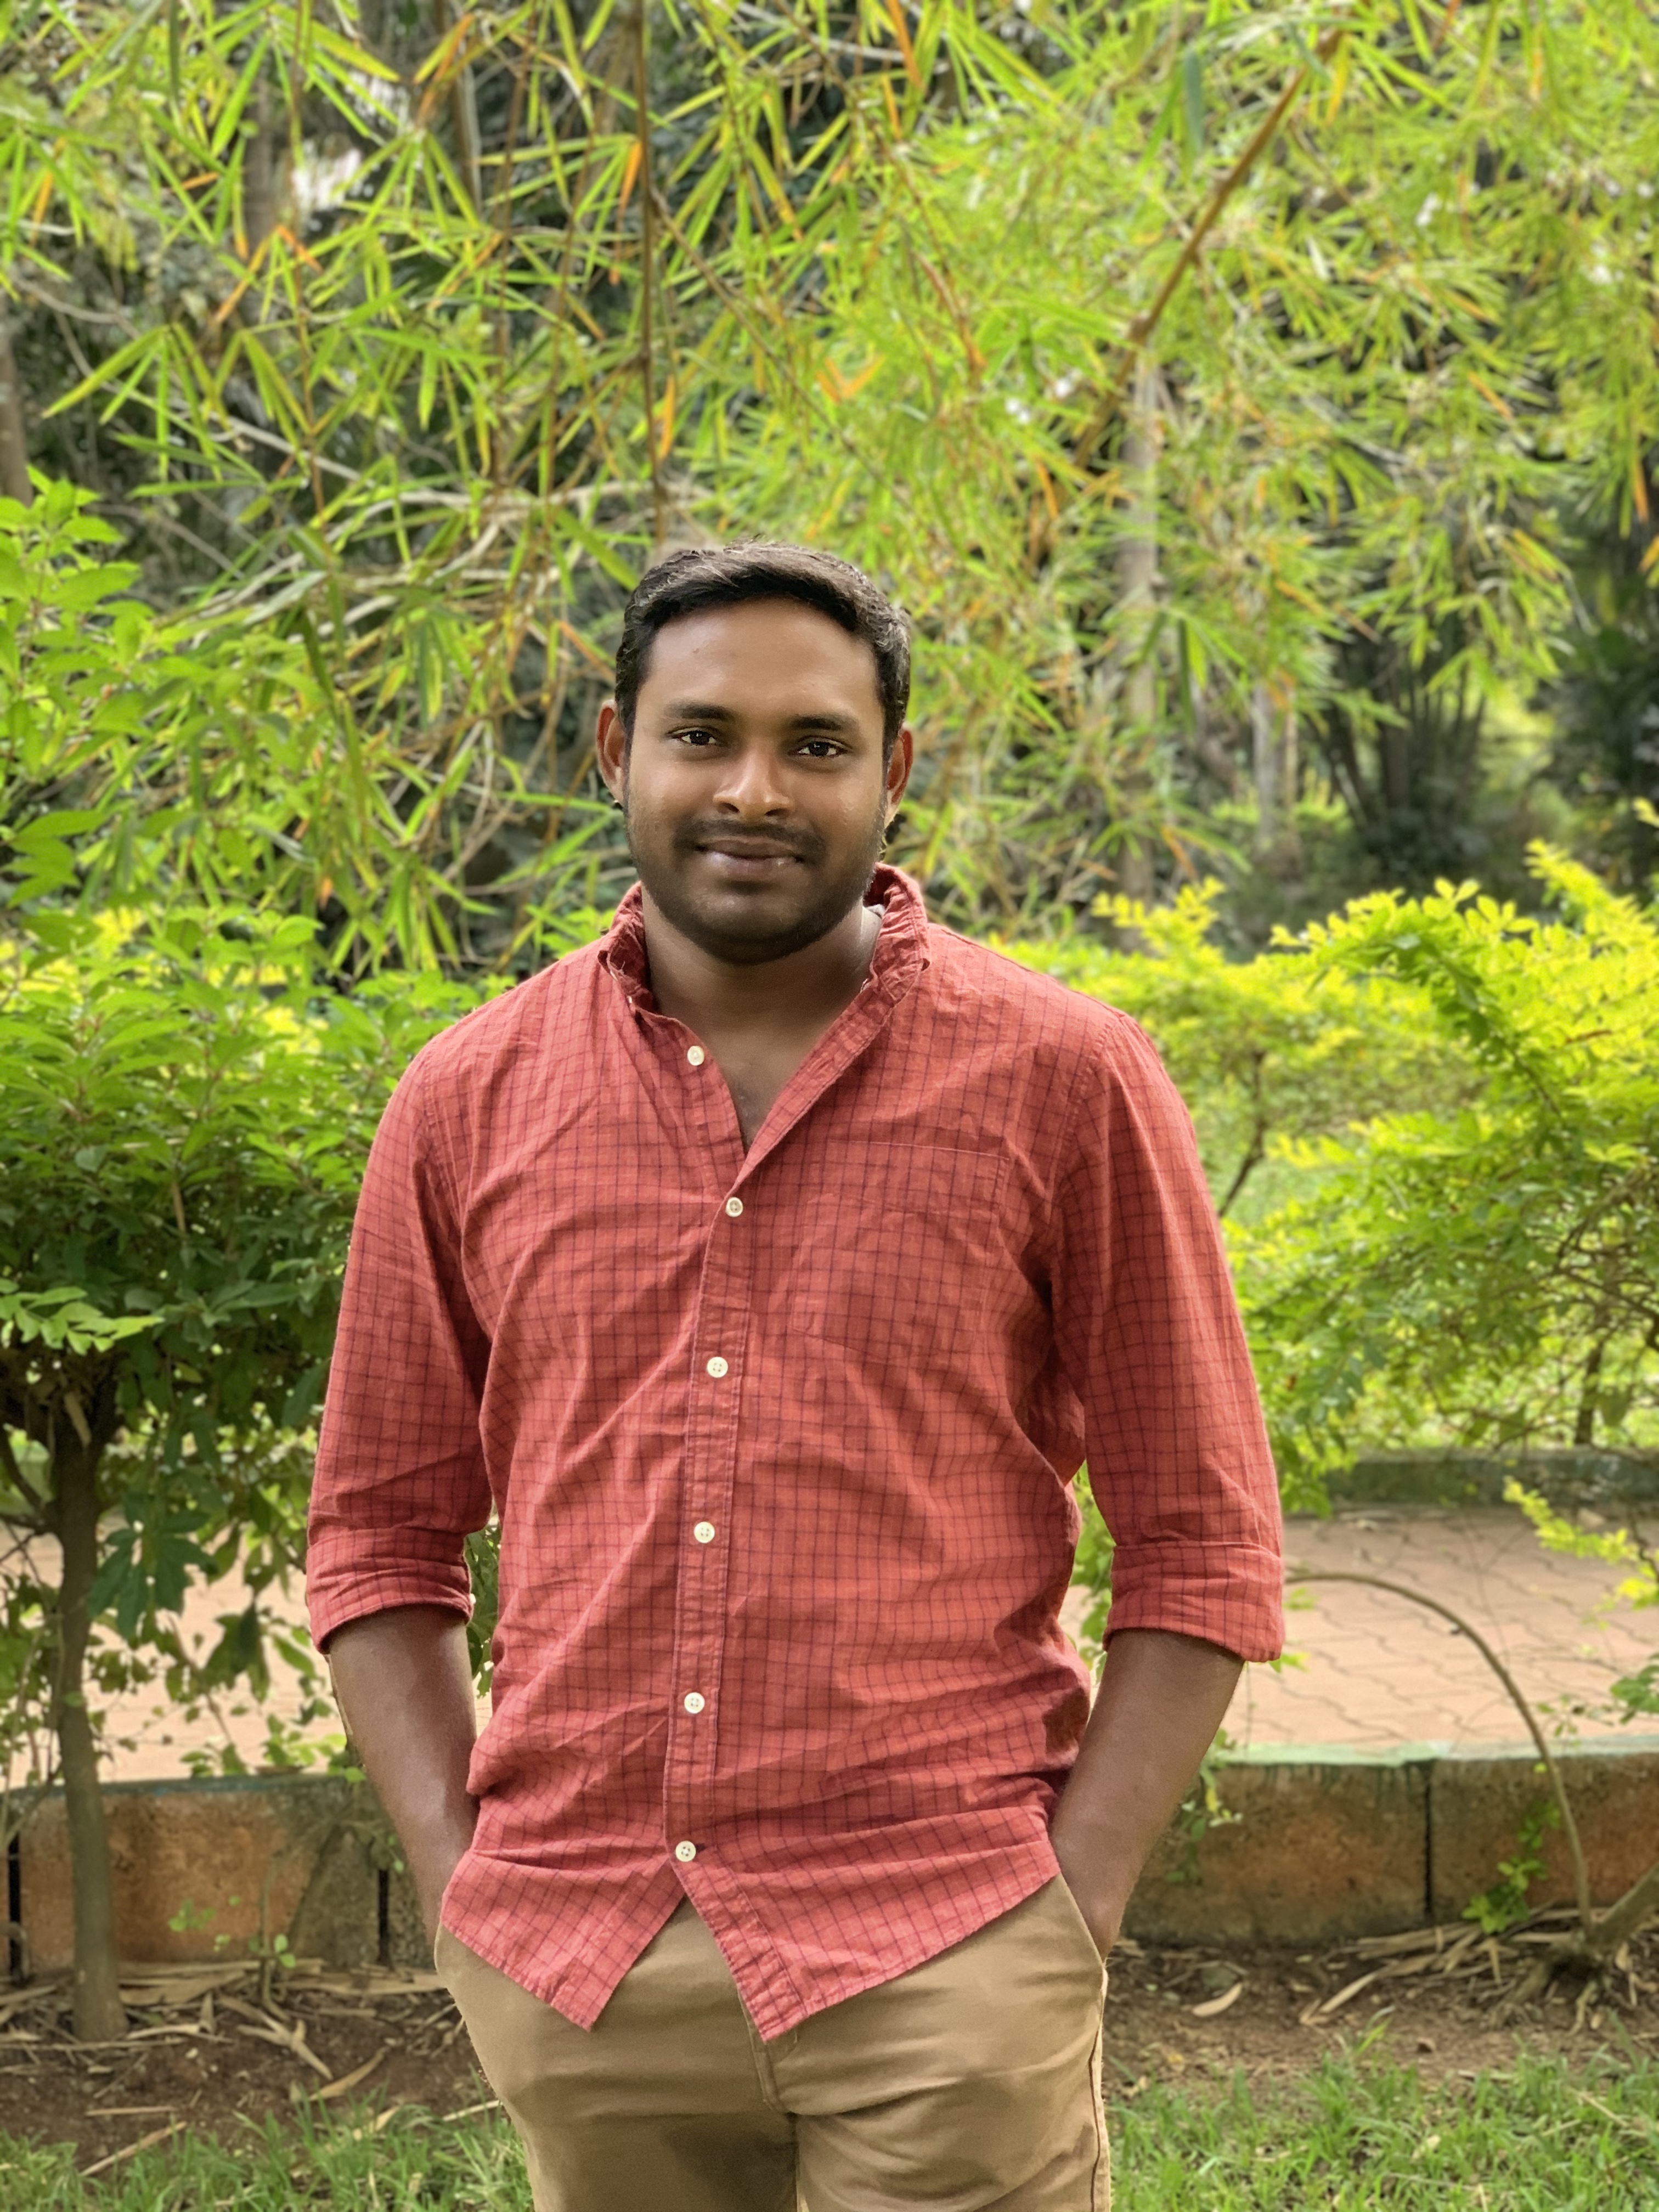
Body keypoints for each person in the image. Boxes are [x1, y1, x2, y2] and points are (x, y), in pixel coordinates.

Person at [307, 542, 1283, 2212]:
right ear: (613, 750)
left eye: (815, 744)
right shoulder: (466, 1099)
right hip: (584, 1968)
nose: (753, 790)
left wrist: (1074, 1907)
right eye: (703, 735)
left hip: (946, 1945)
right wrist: (461, 1884)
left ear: (893, 771)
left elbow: (1204, 1540)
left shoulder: (1066, 1081)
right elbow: (376, 1537)